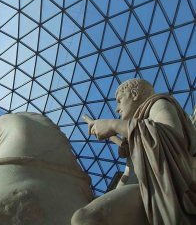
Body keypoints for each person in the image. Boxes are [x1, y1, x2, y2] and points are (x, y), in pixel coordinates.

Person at [72, 78, 196, 225]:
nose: (116, 109)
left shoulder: (159, 103)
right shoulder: (136, 130)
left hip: (167, 191)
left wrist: (112, 124)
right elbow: (130, 169)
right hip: (146, 191)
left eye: (119, 100)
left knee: (85, 218)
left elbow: (169, 137)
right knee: (83, 217)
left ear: (135, 94)